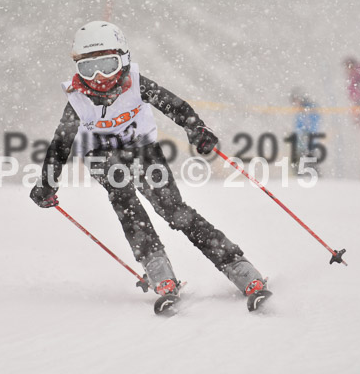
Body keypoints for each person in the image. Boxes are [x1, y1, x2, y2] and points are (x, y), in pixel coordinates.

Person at [30, 21, 268, 309]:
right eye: (88, 69)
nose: (99, 78)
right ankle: (160, 272)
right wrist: (47, 184)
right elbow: (60, 146)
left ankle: (238, 266)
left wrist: (198, 130)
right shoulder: (78, 99)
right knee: (125, 198)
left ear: (124, 58)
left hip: (143, 151)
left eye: (107, 64)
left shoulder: (135, 83)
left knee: (174, 210)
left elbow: (175, 106)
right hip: (100, 156)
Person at [289, 87, 321, 175]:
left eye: (295, 100)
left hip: (309, 138)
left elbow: (314, 123)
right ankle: (300, 175)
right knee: (298, 159)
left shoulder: (310, 108)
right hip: (302, 139)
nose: (295, 104)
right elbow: (298, 125)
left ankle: (314, 175)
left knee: (310, 158)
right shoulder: (301, 109)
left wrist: (308, 134)